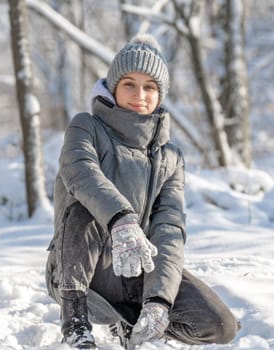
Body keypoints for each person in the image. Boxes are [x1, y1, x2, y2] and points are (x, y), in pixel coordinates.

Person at [45, 34, 240, 349]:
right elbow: (81, 174)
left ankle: (135, 325)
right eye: (129, 84)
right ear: (113, 87)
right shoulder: (85, 127)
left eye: (150, 87)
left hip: (139, 272)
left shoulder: (170, 157)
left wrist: (159, 302)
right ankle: (75, 324)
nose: (140, 94)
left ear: (160, 94)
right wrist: (122, 221)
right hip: (82, 272)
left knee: (220, 326)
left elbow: (169, 229)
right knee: (86, 207)